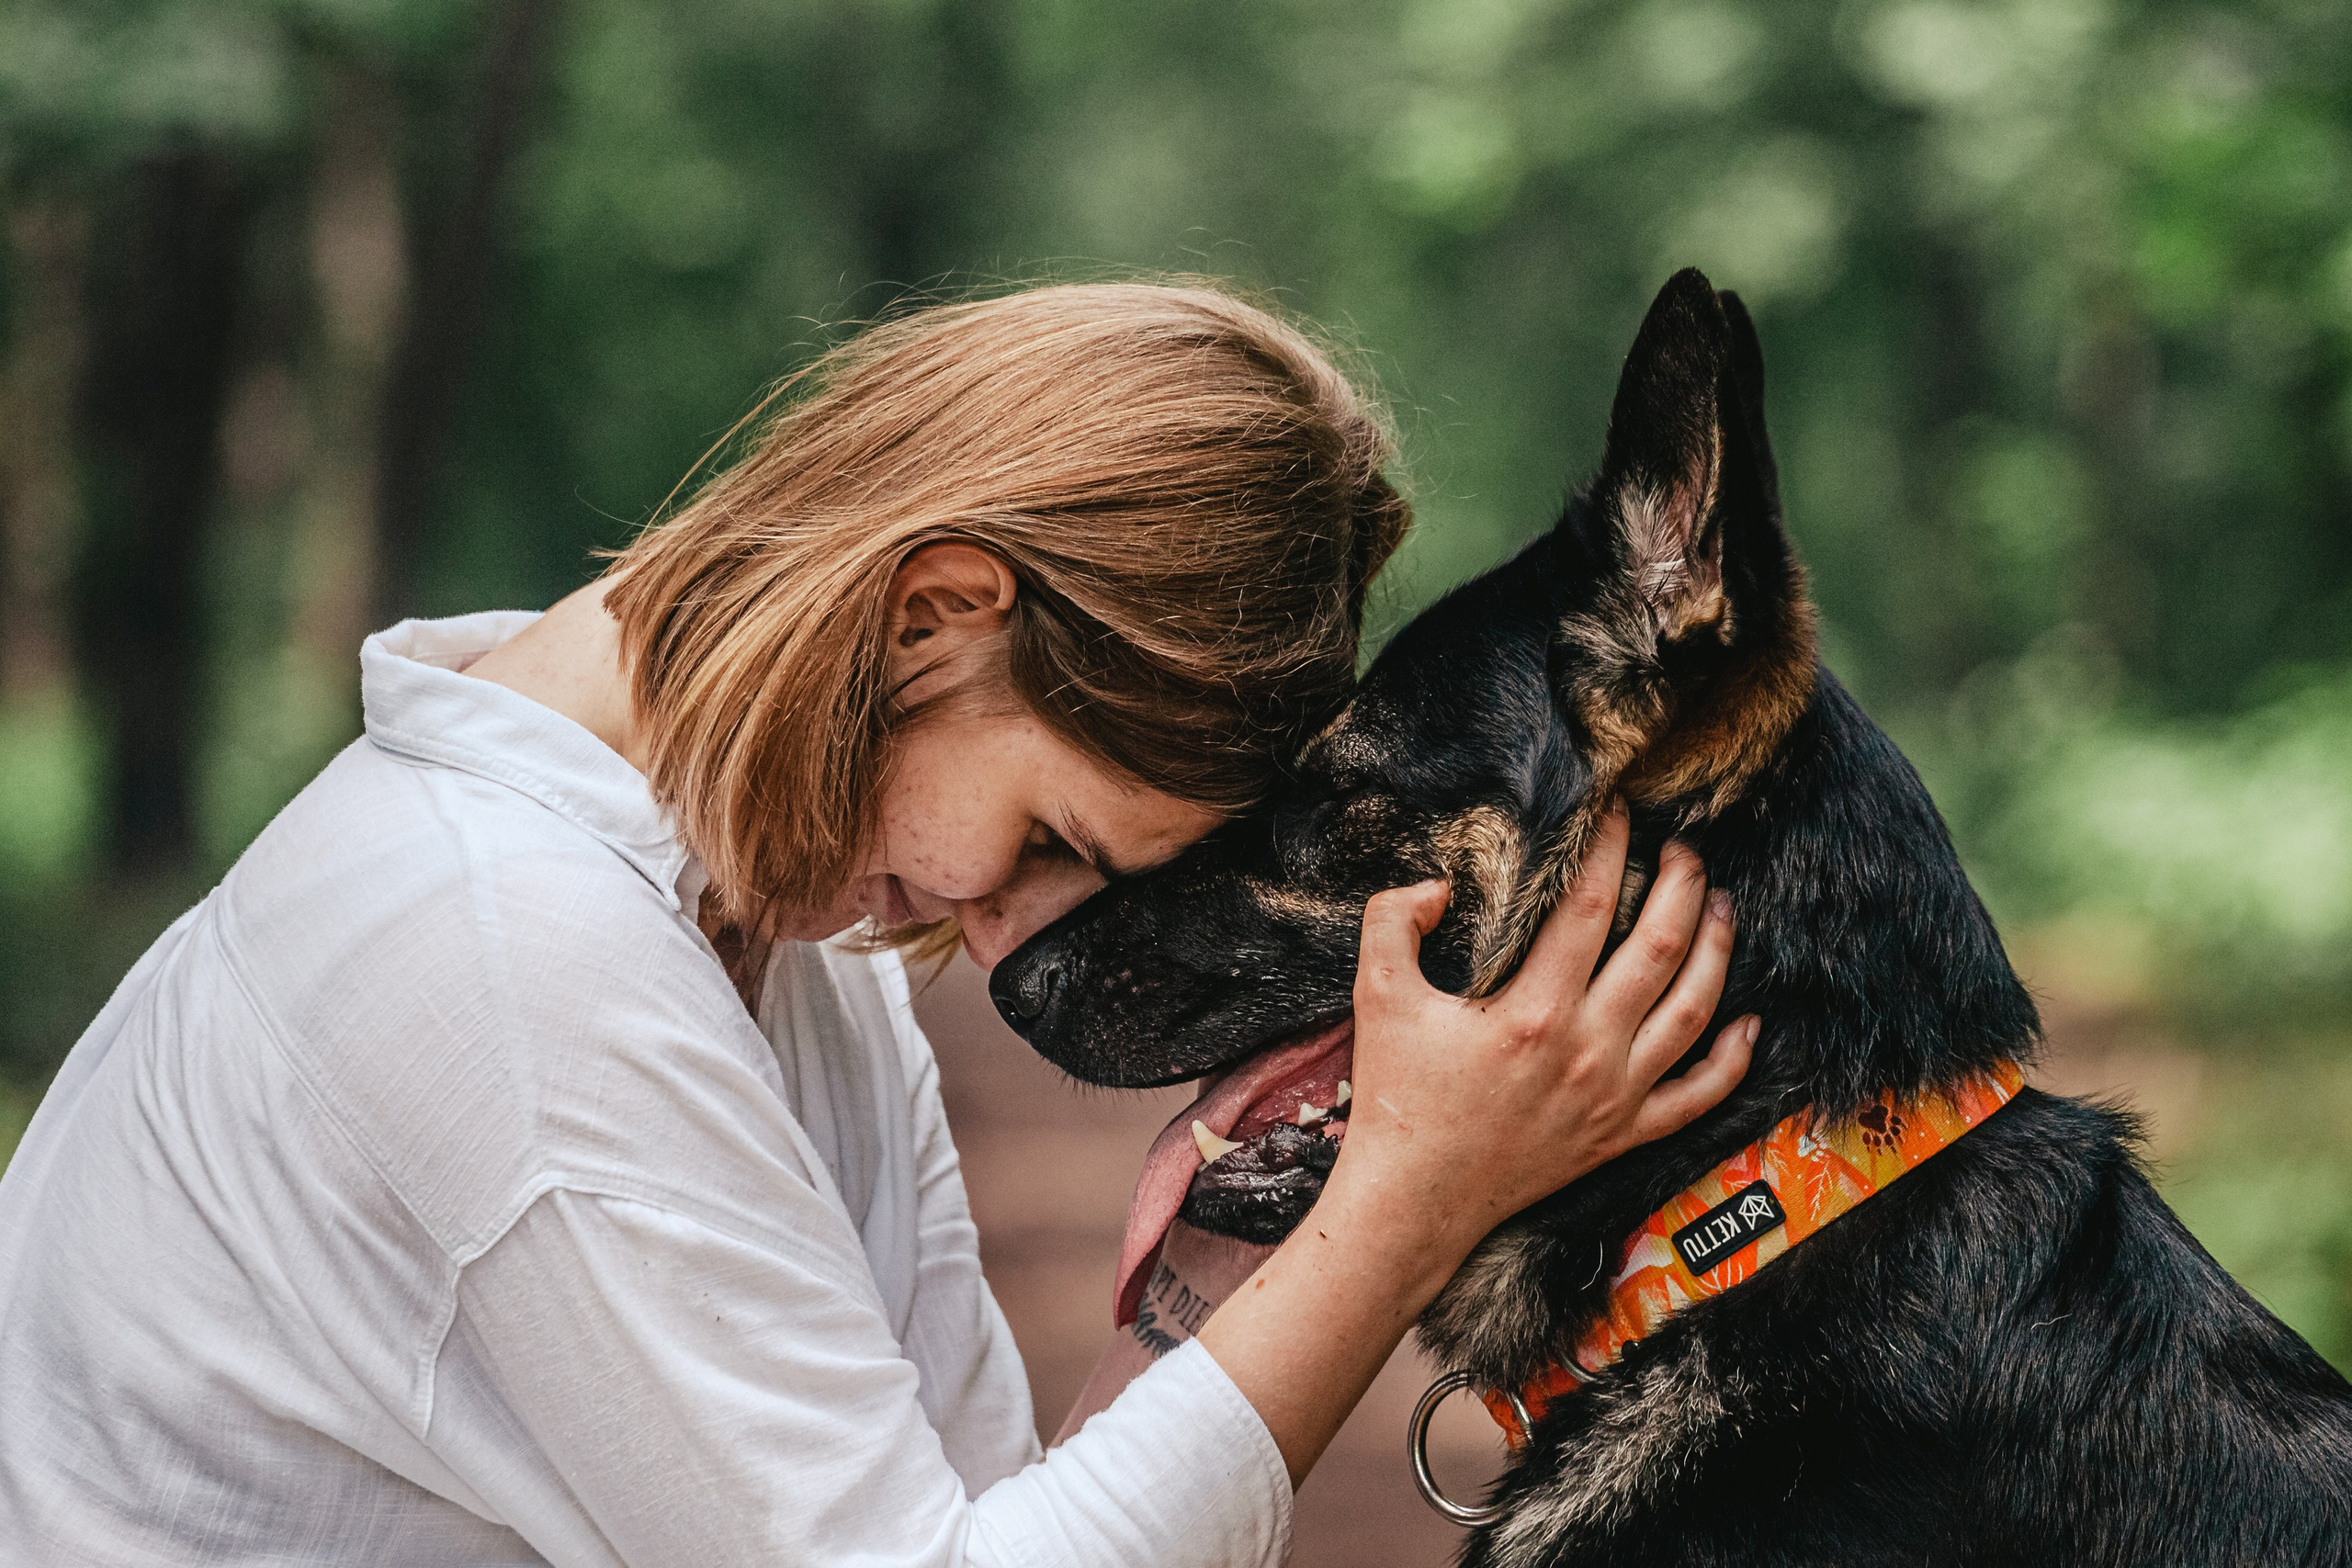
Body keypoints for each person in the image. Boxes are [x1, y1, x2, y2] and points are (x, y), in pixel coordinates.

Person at [0, 282, 1753, 1567]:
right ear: (937, 613)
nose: (999, 942)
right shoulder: (500, 956)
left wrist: (1263, 1210)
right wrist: (1401, 1213)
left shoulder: (756, 935)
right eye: (1050, 834)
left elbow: (994, 1519)